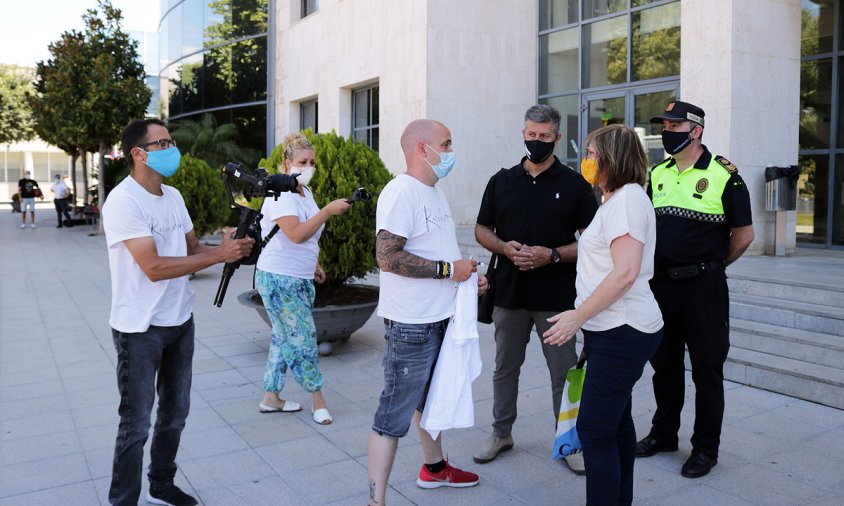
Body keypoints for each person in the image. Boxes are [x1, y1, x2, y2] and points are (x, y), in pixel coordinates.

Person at [102, 118, 255, 506]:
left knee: (175, 414)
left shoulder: (172, 196)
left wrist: (229, 250)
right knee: (135, 425)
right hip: (140, 329)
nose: (172, 149)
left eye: (171, 140)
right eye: (162, 143)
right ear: (138, 154)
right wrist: (218, 256)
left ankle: (161, 484)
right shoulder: (123, 201)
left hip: (179, 322)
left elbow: (191, 253)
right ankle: (123, 501)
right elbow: (152, 268)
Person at [367, 119, 488, 506]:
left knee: (431, 401)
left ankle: (434, 470)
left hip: (440, 318)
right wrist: (449, 271)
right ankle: (377, 500)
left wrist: (465, 277)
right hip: (411, 325)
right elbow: (387, 257)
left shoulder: (433, 192)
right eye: (446, 143)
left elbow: (437, 253)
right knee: (393, 414)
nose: (451, 151)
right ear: (423, 149)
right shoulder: (401, 192)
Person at [473, 104, 598, 474]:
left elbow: (593, 242)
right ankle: (501, 433)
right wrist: (503, 247)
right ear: (523, 134)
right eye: (531, 134)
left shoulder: (576, 185)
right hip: (509, 293)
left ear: (557, 138)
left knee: (563, 373)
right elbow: (482, 229)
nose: (537, 141)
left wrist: (553, 255)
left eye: (545, 136)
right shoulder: (502, 180)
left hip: (557, 297)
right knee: (504, 368)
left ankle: (569, 442)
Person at [543, 124, 664, 505]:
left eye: (593, 153)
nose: (587, 161)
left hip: (622, 331)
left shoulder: (627, 200)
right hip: (613, 329)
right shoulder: (617, 199)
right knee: (615, 422)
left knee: (594, 430)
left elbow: (625, 272)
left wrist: (578, 316)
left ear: (614, 157)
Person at [635, 100, 754, 478]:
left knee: (707, 370)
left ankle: (705, 448)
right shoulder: (659, 173)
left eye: (674, 125)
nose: (667, 131)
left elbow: (744, 234)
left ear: (696, 130)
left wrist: (714, 266)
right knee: (664, 366)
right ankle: (664, 434)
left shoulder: (725, 174)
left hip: (704, 287)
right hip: (661, 286)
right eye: (665, 125)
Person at [255, 132, 351, 424]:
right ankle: (317, 398)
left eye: (311, 162)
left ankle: (271, 397)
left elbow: (308, 236)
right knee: (304, 338)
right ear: (287, 164)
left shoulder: (304, 192)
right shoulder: (280, 193)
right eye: (302, 162)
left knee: (282, 336)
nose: (308, 167)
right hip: (279, 278)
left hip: (298, 276)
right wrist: (327, 211)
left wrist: (315, 264)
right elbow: (296, 234)